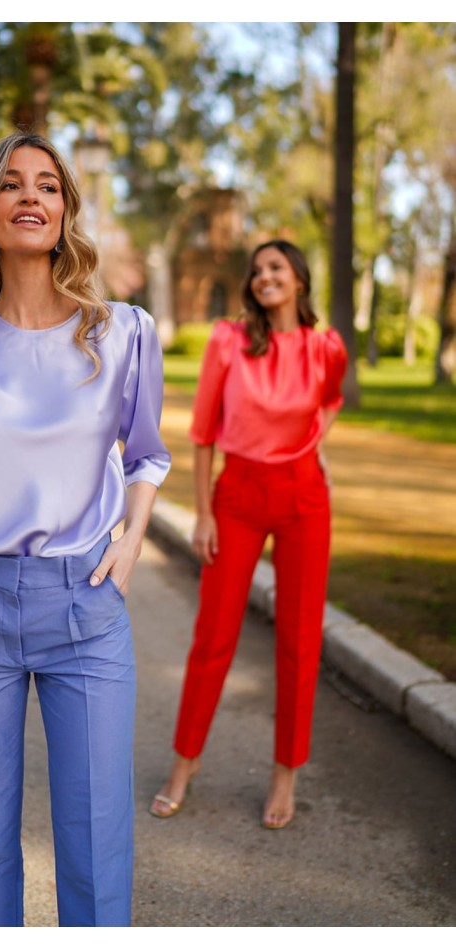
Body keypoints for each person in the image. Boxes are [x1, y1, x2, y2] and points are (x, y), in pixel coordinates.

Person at [0, 131, 170, 927]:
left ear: (65, 212)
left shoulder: (120, 333)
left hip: (85, 610)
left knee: (96, 847)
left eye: (48, 185)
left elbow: (149, 453)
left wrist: (130, 539)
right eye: (12, 184)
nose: (30, 196)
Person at [150, 239, 347, 829]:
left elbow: (331, 401)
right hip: (237, 498)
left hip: (304, 498)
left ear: (299, 279)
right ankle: (185, 764)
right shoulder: (227, 341)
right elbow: (204, 431)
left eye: (276, 268)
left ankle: (285, 774)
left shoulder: (326, 347)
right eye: (257, 270)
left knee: (299, 639)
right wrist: (205, 512)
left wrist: (312, 448)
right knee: (214, 636)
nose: (264, 277)